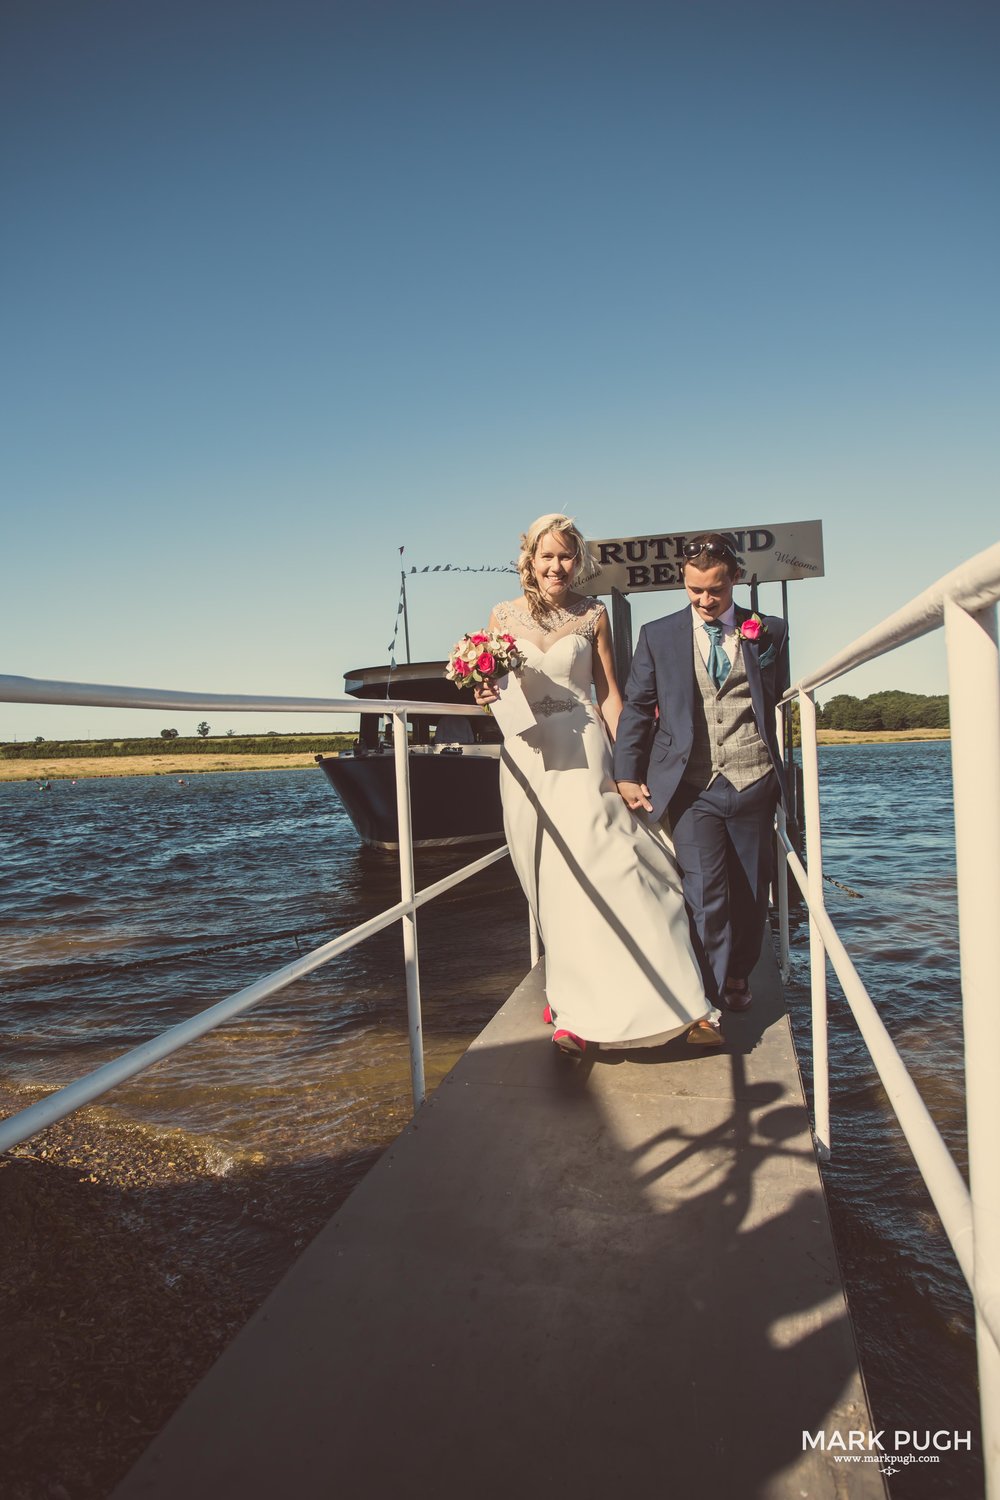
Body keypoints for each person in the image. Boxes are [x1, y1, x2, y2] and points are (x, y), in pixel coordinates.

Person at [474, 514, 720, 1055]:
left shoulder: (593, 615)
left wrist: (628, 768)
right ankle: (571, 1003)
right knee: (547, 878)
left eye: (566, 556)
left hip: (584, 751)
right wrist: (484, 692)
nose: (556, 566)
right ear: (530, 561)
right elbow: (490, 681)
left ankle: (681, 999)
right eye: (547, 557)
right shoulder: (501, 615)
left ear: (576, 560)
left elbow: (610, 695)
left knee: (616, 862)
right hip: (526, 756)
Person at [613, 533, 789, 1015]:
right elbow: (637, 707)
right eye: (695, 591)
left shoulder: (768, 630)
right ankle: (706, 999)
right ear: (684, 583)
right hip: (691, 787)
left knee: (753, 893)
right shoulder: (658, 634)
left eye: (715, 590)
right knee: (704, 892)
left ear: (734, 578)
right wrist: (626, 771)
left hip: (753, 780)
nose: (705, 600)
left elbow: (777, 698)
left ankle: (739, 971)